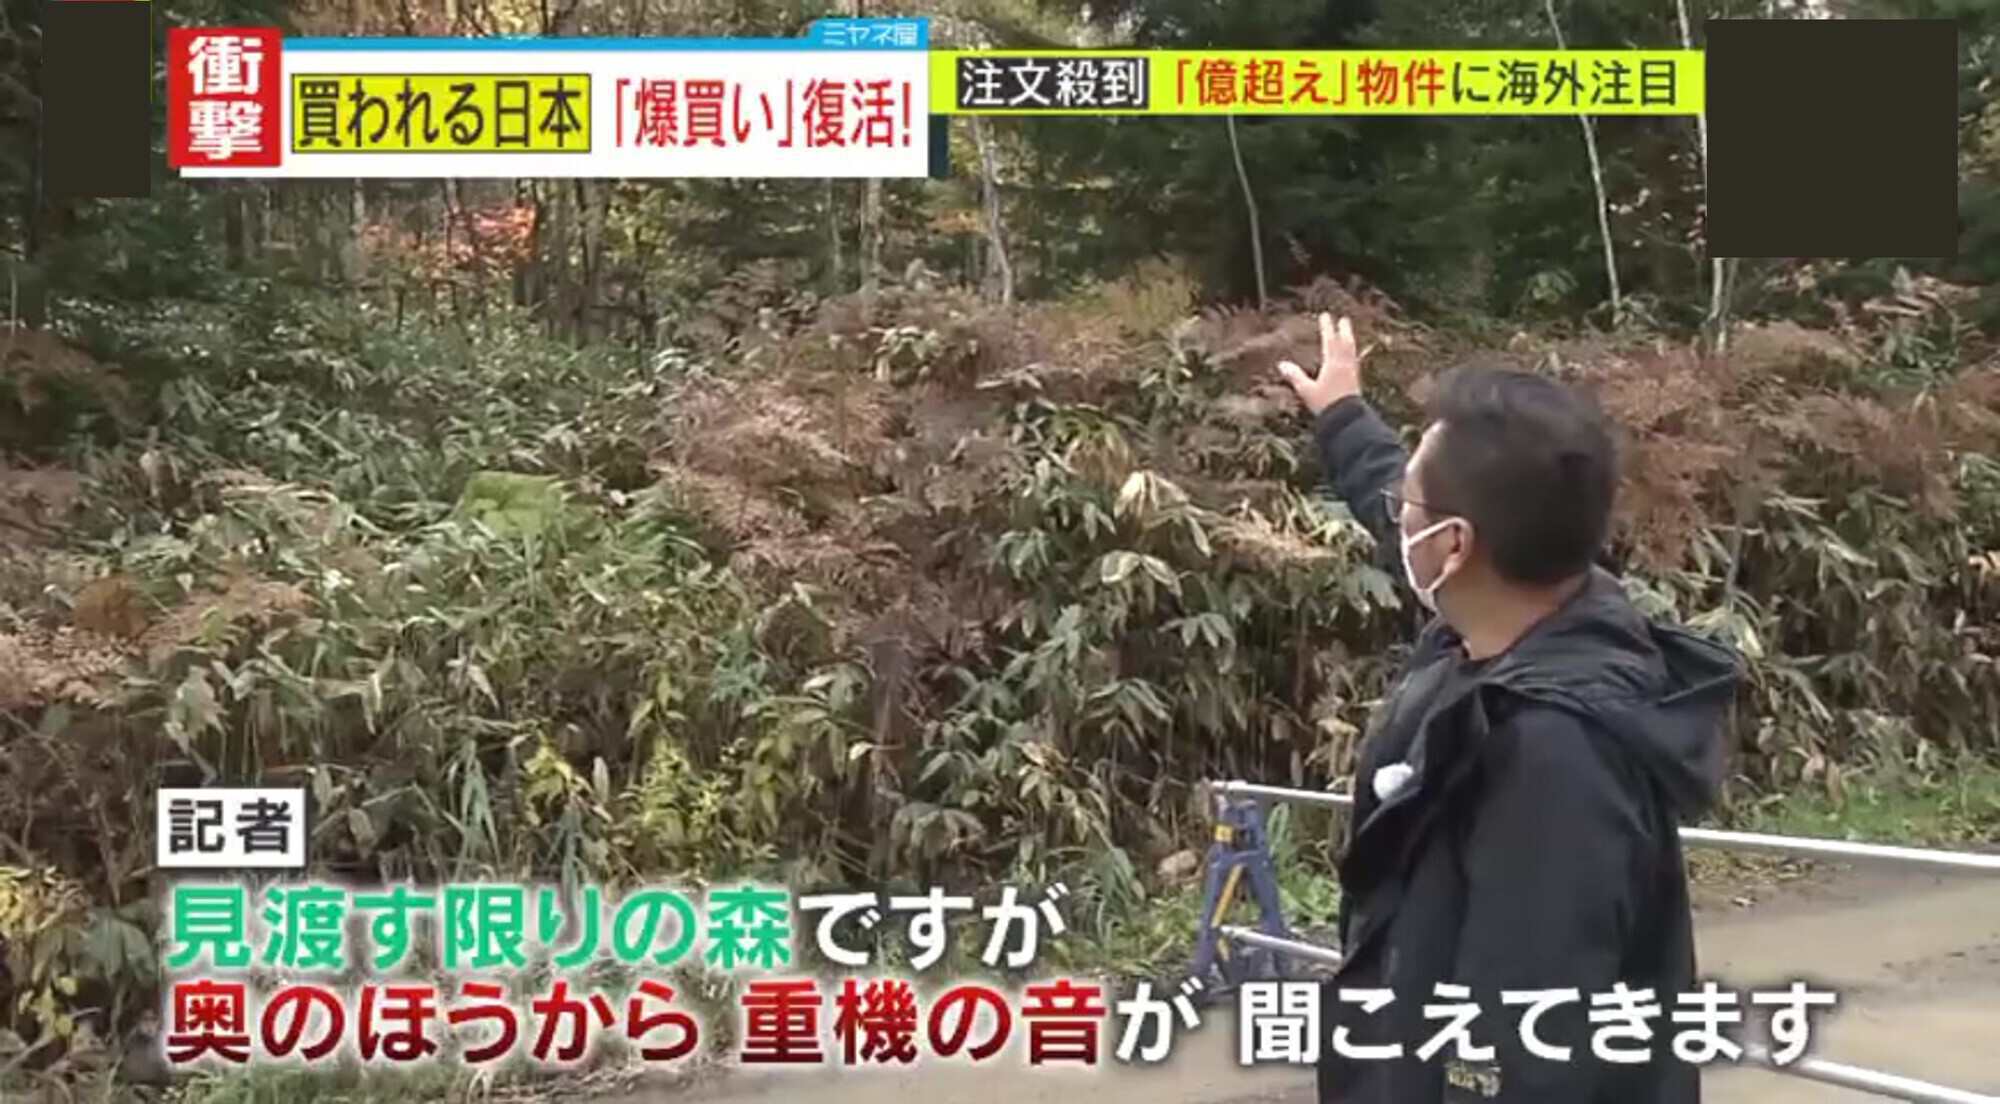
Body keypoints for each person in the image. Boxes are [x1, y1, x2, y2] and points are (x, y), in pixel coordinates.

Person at [1275, 314, 1745, 1104]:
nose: (1397, 514)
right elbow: (1404, 515)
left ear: (1455, 545)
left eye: (1408, 501)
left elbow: (1520, 1050)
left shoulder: (1552, 756)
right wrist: (1344, 415)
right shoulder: (1518, 616)